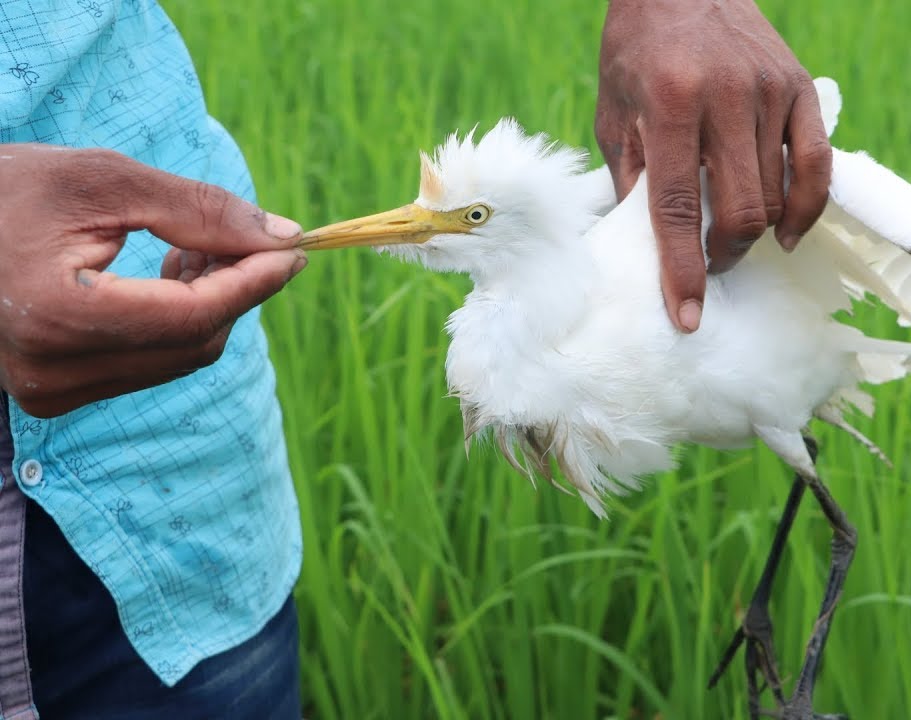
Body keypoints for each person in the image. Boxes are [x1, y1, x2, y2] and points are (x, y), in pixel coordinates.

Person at [0, 0, 832, 717]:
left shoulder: (599, 282)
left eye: (466, 219)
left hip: (181, 507)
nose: (408, 224)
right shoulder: (551, 304)